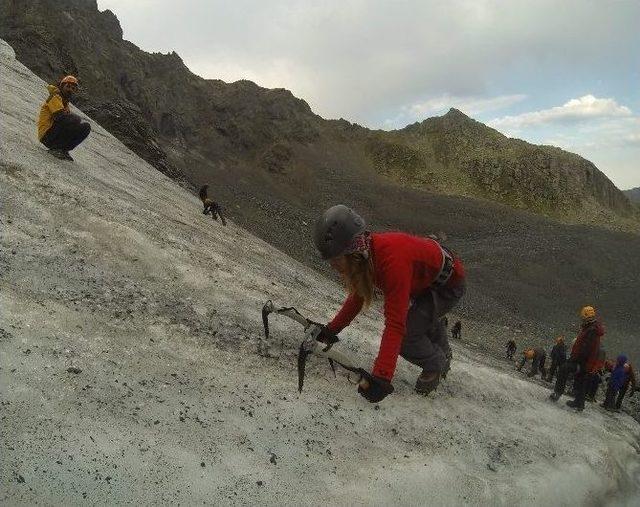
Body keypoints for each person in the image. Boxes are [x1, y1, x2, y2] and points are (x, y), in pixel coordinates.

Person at [313, 205, 466, 403]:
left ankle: (437, 363)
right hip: (427, 281)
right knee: (422, 317)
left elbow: (395, 325)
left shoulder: (392, 263)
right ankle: (441, 350)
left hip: (446, 287)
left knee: (408, 336)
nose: (333, 267)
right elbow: (357, 297)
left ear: (353, 253)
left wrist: (382, 377)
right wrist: (331, 331)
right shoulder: (369, 254)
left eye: (335, 260)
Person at [549, 305, 604, 411]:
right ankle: (579, 403)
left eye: (583, 316)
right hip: (586, 362)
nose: (582, 318)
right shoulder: (591, 328)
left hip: (583, 362)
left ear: (586, 316)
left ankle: (557, 393)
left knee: (564, 369)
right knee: (580, 381)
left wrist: (576, 361)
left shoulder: (591, 330)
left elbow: (585, 350)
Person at [37, 75, 91, 161]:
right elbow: (59, 116)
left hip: (54, 135)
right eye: (68, 86)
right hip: (46, 136)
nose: (70, 90)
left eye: (73, 88)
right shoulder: (54, 97)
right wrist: (74, 119)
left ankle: (63, 150)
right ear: (62, 86)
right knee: (74, 119)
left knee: (86, 127)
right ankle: (56, 148)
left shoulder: (65, 103)